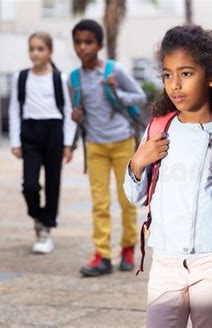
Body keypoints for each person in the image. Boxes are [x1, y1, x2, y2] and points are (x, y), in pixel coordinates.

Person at [123, 25, 212, 327]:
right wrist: (137, 163)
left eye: (186, 74)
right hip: (165, 262)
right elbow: (137, 195)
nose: (175, 85)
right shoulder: (158, 128)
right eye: (167, 75)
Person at [69, 19, 147, 276]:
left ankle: (127, 248)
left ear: (100, 45)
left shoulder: (115, 71)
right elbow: (79, 112)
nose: (83, 47)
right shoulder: (73, 78)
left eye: (88, 42)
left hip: (123, 142)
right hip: (95, 146)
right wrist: (77, 117)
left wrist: (117, 91)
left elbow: (140, 97)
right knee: (99, 203)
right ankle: (102, 255)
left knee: (127, 200)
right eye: (78, 42)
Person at [8, 32, 77, 254]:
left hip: (54, 132)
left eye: (40, 49)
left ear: (49, 52)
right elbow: (14, 110)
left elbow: (68, 112)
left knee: (52, 182)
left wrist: (68, 144)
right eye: (32, 48)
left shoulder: (61, 78)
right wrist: (14, 141)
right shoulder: (20, 77)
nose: (35, 53)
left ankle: (45, 229)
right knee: (29, 185)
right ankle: (38, 215)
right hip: (30, 132)